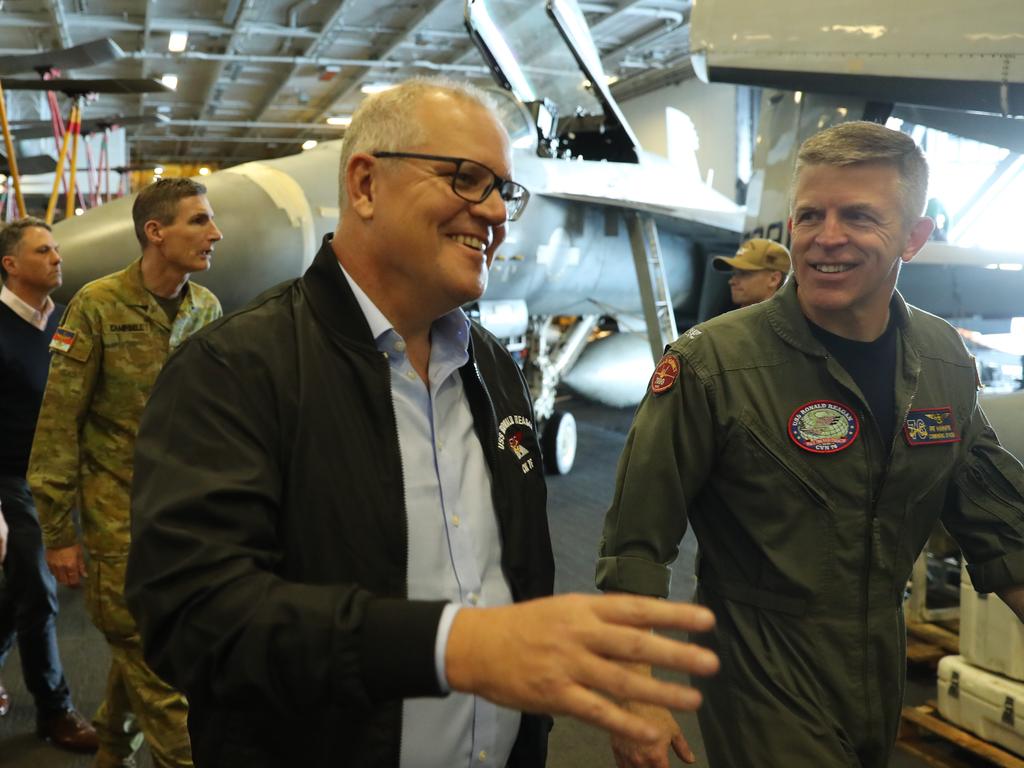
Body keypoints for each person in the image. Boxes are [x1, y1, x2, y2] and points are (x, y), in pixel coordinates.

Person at [125, 78, 720, 768]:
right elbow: (192, 616)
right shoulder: (232, 370)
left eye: (503, 189)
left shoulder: (493, 369)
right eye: (467, 179)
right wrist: (454, 647)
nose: (496, 212)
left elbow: (514, 578)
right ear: (366, 184)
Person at [597, 121, 1024, 768]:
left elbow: (1000, 527)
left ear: (915, 236)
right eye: (809, 215)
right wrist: (634, 695)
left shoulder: (942, 360)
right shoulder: (713, 365)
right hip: (760, 661)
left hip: (880, 653)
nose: (827, 237)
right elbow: (634, 543)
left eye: (858, 216)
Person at [28, 179, 223, 768]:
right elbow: (59, 423)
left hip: (182, 519)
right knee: (159, 672)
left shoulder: (206, 309)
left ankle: (111, 751)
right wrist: (59, 533)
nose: (215, 234)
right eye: (198, 221)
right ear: (155, 232)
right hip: (118, 524)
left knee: (140, 650)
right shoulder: (97, 305)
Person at [0, 218, 99, 751]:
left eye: (57, 248)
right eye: (44, 251)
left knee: (15, 593)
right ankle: (56, 710)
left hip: (56, 477)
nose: (58, 257)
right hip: (10, 479)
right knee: (38, 593)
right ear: (11, 265)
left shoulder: (63, 322)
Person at [712, 237, 790, 308]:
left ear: (774, 279)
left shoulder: (787, 322)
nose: (731, 281)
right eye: (734, 273)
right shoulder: (730, 320)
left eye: (743, 273)